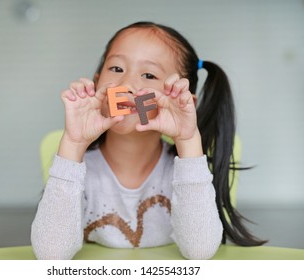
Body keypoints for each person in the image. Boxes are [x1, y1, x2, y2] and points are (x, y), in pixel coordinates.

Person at [31, 21, 265, 260]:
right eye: (117, 69)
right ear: (97, 81)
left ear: (181, 102)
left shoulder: (182, 173)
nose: (127, 85)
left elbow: (200, 251)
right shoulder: (78, 168)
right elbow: (51, 255)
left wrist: (188, 139)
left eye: (149, 75)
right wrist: (73, 143)